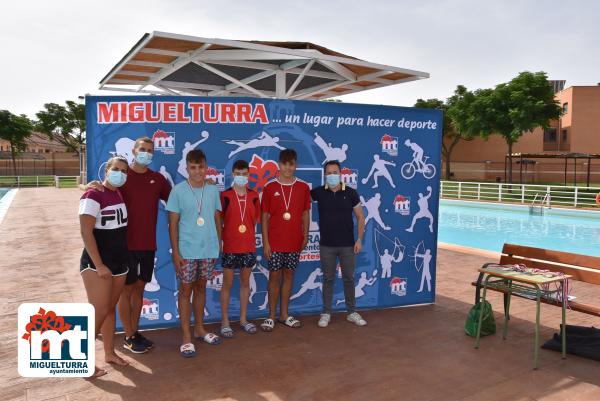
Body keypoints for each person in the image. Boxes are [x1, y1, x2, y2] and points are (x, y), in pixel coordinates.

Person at [88, 137, 171, 354]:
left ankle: (134, 333)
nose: (146, 153)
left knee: (139, 290)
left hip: (147, 245)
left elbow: (176, 199)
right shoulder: (122, 177)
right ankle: (127, 335)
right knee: (125, 292)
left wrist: (202, 186)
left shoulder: (158, 179)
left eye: (150, 150)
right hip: (124, 246)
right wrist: (87, 184)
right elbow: (100, 192)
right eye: (142, 149)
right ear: (134, 151)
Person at [167, 149, 222, 358]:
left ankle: (200, 328)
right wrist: (176, 253)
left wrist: (218, 244)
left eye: (201, 167)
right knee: (185, 291)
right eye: (193, 167)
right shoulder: (178, 191)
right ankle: (186, 336)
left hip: (208, 249)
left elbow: (217, 219)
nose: (197, 171)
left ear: (206, 167)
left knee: (201, 289)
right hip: (187, 251)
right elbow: (172, 225)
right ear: (187, 168)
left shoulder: (212, 190)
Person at [79, 156, 130, 378]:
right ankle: (79, 361)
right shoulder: (93, 194)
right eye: (116, 169)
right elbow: (85, 231)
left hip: (119, 263)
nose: (120, 173)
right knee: (98, 311)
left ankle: (109, 353)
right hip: (96, 264)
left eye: (124, 171)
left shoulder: (117, 193)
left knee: (110, 308)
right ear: (106, 170)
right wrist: (99, 265)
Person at [311, 160, 367, 327]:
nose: (332, 175)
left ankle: (351, 312)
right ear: (325, 175)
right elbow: (298, 199)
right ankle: (326, 313)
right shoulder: (318, 193)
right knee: (328, 279)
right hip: (326, 245)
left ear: (340, 174)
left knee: (349, 279)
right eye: (328, 173)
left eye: (335, 172)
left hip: (348, 245)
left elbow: (360, 217)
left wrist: (359, 240)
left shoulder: (351, 193)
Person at [260, 148, 311, 331]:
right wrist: (265, 242)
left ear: (295, 165)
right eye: (285, 164)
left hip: (294, 241)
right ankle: (271, 316)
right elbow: (264, 217)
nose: (288, 167)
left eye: (291, 164)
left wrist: (305, 235)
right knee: (274, 275)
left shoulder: (303, 187)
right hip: (274, 241)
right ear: (279, 165)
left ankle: (284, 315)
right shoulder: (270, 187)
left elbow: (306, 213)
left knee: (289, 275)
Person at [219, 159, 261, 337]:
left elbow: (255, 220)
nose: (241, 177)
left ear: (249, 175)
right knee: (227, 284)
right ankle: (225, 322)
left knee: (245, 283)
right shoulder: (225, 196)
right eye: (238, 174)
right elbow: (219, 220)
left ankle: (243, 319)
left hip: (248, 246)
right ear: (233, 175)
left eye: (245, 174)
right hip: (230, 247)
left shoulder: (254, 196)